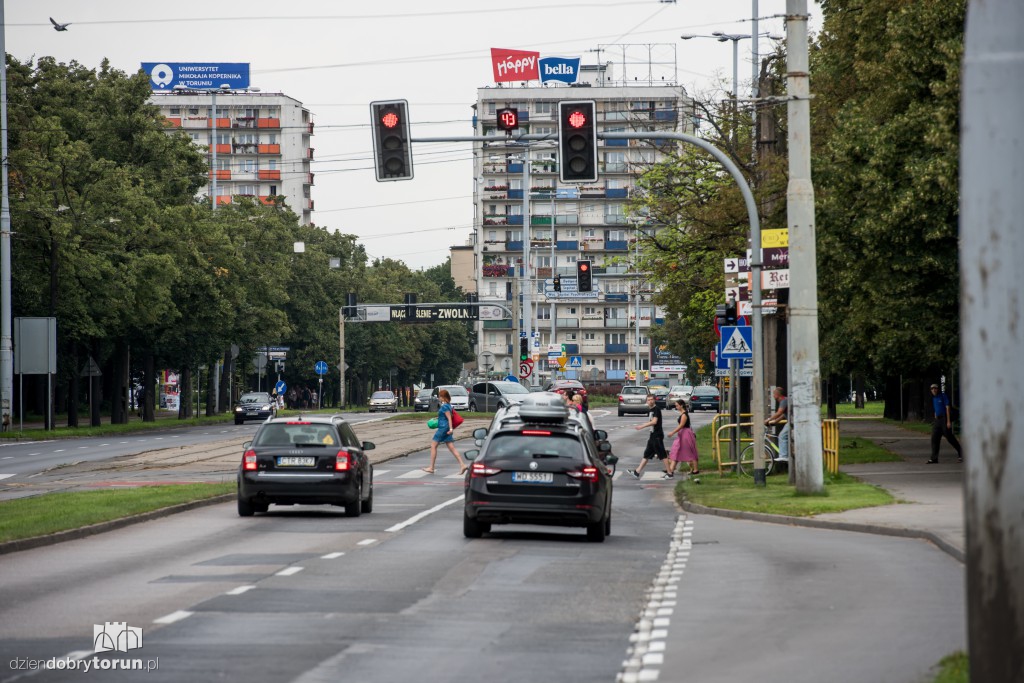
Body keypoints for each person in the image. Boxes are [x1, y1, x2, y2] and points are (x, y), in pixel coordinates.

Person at [423, 388, 468, 475]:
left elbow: (449, 419)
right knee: (451, 447)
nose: (439, 398)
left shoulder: (445, 406)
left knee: (433, 445)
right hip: (446, 428)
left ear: (443, 397)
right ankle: (462, 465)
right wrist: (438, 418)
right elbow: (446, 417)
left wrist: (451, 429)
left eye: (440, 396)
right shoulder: (448, 405)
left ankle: (431, 467)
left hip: (443, 429)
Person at [627, 394, 668, 479]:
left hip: (657, 435)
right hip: (653, 435)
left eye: (651, 399)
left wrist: (642, 426)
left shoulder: (656, 409)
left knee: (662, 455)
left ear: (654, 400)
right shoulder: (651, 410)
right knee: (647, 454)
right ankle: (637, 472)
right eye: (648, 400)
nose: (650, 401)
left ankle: (670, 473)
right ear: (646, 401)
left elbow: (654, 422)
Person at [928, 383, 962, 464]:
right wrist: (935, 415)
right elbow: (936, 408)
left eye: (935, 388)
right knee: (934, 438)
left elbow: (947, 408)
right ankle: (934, 458)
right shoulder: (933, 398)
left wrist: (948, 421)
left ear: (938, 389)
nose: (934, 390)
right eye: (932, 389)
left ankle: (961, 453)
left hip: (944, 418)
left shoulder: (943, 396)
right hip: (938, 420)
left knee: (950, 438)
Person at [666, 400, 699, 477]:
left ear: (681, 405)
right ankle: (671, 469)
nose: (676, 407)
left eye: (677, 405)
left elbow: (681, 425)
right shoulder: (683, 414)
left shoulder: (684, 415)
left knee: (690, 451)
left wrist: (672, 432)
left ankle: (695, 470)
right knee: (676, 449)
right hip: (683, 433)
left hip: (686, 434)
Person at [765, 386, 790, 462]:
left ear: (777, 395)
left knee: (782, 435)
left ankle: (784, 456)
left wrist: (768, 419)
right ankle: (786, 454)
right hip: (792, 420)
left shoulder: (783, 401)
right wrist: (775, 422)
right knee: (786, 436)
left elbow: (779, 412)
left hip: (793, 421)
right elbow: (783, 415)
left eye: (773, 394)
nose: (773, 396)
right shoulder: (785, 400)